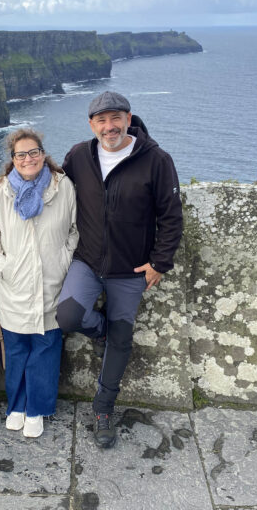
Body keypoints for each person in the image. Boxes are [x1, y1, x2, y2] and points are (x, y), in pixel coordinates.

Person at [55, 91, 183, 449]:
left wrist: (160, 263)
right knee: (67, 316)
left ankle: (103, 408)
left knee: (123, 340)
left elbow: (172, 217)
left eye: (116, 118)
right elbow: (55, 191)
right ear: (91, 124)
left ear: (129, 119)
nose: (109, 127)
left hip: (131, 268)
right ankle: (102, 334)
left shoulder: (156, 160)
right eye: (101, 120)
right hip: (87, 259)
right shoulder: (80, 155)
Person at [0, 129, 78, 438]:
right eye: (21, 154)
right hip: (13, 285)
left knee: (46, 347)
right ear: (13, 159)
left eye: (34, 152)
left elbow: (75, 229)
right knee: (17, 347)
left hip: (51, 282)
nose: (28, 159)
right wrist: (2, 266)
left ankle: (37, 407)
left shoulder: (63, 187)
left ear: (43, 153)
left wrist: (63, 259)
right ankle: (17, 405)